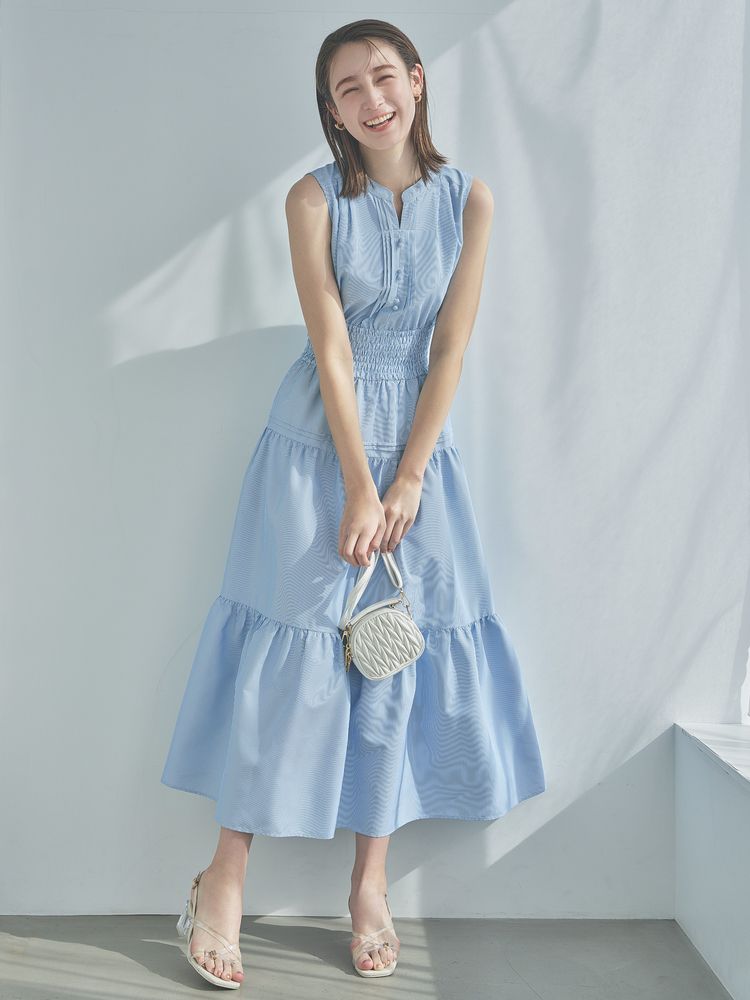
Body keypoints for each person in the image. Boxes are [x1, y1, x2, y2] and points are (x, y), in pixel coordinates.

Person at [161, 18, 546, 989]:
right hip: (315, 446)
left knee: (397, 652)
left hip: (420, 448)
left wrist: (408, 477)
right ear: (331, 111)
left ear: (417, 80)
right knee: (290, 651)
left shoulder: (471, 199)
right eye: (348, 89)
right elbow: (330, 342)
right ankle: (222, 880)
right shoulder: (312, 198)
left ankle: (369, 886)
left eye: (383, 77)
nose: (372, 100)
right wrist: (359, 484)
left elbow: (450, 346)